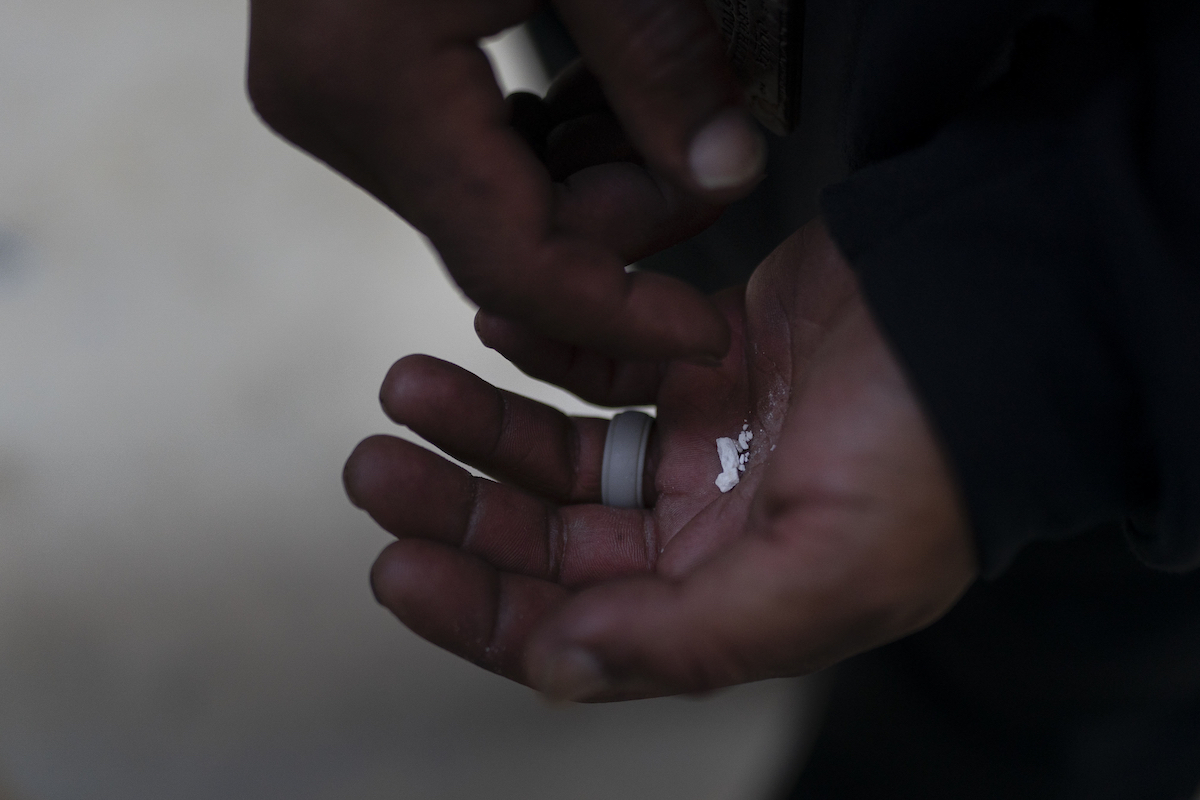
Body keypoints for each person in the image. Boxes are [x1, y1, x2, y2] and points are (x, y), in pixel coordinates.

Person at [247, 0, 1200, 796]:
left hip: (1123, 303)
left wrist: (1075, 303)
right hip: (716, 123)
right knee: (706, 294)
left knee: (1045, 682)